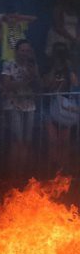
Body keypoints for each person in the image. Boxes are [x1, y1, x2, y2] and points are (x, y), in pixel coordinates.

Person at [0, 39, 41, 178]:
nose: (25, 53)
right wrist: (23, 83)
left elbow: (38, 85)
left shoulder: (32, 66)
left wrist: (33, 73)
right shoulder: (8, 64)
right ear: (16, 51)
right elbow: (6, 85)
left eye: (27, 50)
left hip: (29, 105)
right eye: (22, 50)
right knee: (16, 140)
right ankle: (13, 174)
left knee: (27, 141)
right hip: (13, 105)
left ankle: (23, 174)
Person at [44, 42, 80, 172]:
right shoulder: (49, 67)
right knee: (53, 143)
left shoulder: (70, 70)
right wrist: (55, 69)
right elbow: (47, 85)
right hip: (50, 107)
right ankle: (53, 168)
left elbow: (75, 84)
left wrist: (69, 70)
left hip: (65, 107)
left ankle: (63, 169)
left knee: (64, 143)